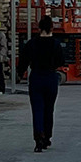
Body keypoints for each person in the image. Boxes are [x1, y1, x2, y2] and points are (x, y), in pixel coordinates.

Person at [18, 15, 64, 153]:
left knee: (37, 109)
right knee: (49, 109)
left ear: (39, 28)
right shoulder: (55, 44)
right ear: (52, 28)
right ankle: (47, 137)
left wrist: (19, 73)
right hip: (50, 77)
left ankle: (38, 138)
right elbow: (61, 61)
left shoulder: (32, 43)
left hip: (36, 77)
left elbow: (23, 61)